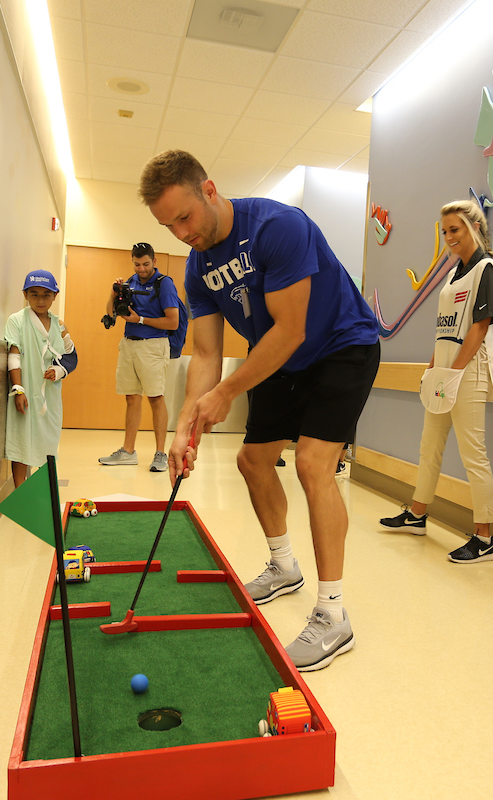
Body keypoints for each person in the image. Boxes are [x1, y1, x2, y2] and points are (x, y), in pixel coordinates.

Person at [140, 149, 380, 672]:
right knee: (251, 462)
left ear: (209, 190)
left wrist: (225, 395)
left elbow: (290, 330)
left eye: (184, 217)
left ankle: (333, 615)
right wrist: (185, 425)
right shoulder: (197, 268)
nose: (180, 233)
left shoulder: (277, 226)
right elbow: (205, 353)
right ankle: (284, 566)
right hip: (281, 358)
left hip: (342, 345)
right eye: (167, 225)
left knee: (314, 463)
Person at [378, 200, 493, 563]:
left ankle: (484, 539)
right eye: (445, 231)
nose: (449, 236)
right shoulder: (453, 274)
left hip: (468, 373)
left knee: (472, 456)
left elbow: (479, 328)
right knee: (429, 445)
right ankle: (417, 514)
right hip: (445, 372)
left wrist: (453, 373)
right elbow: (445, 332)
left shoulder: (486, 268)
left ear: (475, 228)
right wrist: (432, 370)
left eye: (456, 229)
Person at [98, 242, 181, 472]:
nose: (141, 269)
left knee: (156, 398)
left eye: (145, 264)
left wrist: (141, 320)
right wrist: (114, 292)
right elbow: (110, 312)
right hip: (129, 345)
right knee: (132, 398)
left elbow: (172, 321)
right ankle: (128, 451)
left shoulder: (164, 284)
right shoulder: (130, 282)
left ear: (154, 261)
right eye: (137, 264)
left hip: (154, 346)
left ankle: (161, 454)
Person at [5, 269, 77, 487]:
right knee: (21, 442)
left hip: (50, 398)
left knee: (48, 444)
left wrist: (59, 371)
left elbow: (71, 356)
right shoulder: (17, 320)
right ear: (25, 295)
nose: (40, 300)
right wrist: (18, 388)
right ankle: (20, 493)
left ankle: (43, 492)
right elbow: (14, 355)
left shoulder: (59, 325)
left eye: (46, 295)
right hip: (25, 393)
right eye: (34, 294)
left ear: (55, 296)